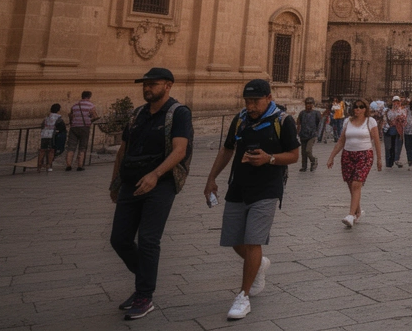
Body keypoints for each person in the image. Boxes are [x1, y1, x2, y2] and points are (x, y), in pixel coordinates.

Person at [203, 79, 300, 321]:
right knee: (235, 240)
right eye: (247, 101)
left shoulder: (282, 120)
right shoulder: (240, 120)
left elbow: (294, 155)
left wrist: (269, 159)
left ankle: (243, 296)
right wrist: (211, 177)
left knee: (253, 239)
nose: (251, 106)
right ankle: (260, 263)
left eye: (255, 101)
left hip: (267, 189)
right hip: (238, 187)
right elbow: (227, 149)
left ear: (268, 97)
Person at [108, 68, 192, 320]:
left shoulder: (179, 114)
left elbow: (179, 150)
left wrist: (155, 175)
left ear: (168, 86)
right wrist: (115, 182)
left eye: (152, 84)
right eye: (145, 84)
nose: (147, 88)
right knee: (119, 239)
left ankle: (144, 294)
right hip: (131, 182)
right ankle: (145, 278)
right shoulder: (137, 115)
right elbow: (124, 149)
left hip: (161, 183)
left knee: (147, 239)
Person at [325, 100, 383, 227]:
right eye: (355, 107)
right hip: (348, 155)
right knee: (351, 184)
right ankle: (357, 211)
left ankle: (350, 215)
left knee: (357, 183)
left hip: (365, 155)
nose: (357, 109)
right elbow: (341, 141)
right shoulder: (347, 121)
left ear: (365, 109)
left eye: (361, 107)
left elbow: (377, 141)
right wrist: (331, 157)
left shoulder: (370, 121)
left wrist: (379, 159)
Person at [64, 90, 99, 171]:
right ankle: (80, 165)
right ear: (89, 97)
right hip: (84, 127)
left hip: (74, 127)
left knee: (71, 147)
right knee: (82, 147)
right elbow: (95, 116)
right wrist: (90, 120)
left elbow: (71, 116)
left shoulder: (75, 105)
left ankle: (68, 165)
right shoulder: (90, 105)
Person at [38, 103, 65, 172]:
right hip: (52, 135)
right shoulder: (58, 118)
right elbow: (62, 128)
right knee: (51, 151)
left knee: (42, 150)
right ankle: (49, 165)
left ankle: (39, 165)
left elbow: (42, 126)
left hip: (44, 134)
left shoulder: (47, 117)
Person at [297, 98, 321, 173]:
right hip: (303, 134)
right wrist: (298, 132)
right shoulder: (302, 113)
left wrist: (317, 133)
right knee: (303, 152)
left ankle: (313, 160)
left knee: (308, 150)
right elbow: (298, 123)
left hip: (312, 135)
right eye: (307, 104)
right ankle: (304, 166)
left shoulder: (316, 113)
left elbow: (319, 123)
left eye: (310, 104)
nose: (309, 105)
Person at [383, 96, 407, 168]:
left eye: (398, 102)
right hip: (389, 130)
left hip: (398, 130)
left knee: (397, 146)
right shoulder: (388, 111)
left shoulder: (402, 110)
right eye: (395, 102)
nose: (396, 104)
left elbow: (404, 119)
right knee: (389, 147)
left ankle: (396, 159)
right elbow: (387, 119)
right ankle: (389, 162)